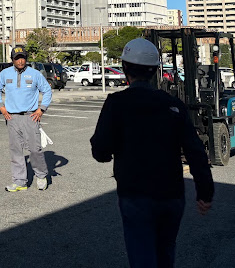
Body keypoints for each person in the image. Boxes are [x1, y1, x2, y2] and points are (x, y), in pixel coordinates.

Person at [91, 38, 213, 267]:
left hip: (135, 195)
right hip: (172, 195)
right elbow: (195, 151)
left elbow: (100, 150)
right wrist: (205, 193)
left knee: (142, 255)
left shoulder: (116, 103)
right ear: (156, 70)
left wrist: (111, 152)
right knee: (166, 252)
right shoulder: (173, 104)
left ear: (125, 67)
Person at [0, 45, 52, 192]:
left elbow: (47, 90)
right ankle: (20, 181)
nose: (20, 61)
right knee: (16, 151)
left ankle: (41, 175)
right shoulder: (5, 74)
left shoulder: (35, 74)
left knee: (34, 149)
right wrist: (1, 107)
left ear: (26, 58)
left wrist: (41, 109)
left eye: (22, 58)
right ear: (12, 59)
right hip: (12, 118)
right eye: (17, 58)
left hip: (30, 117)